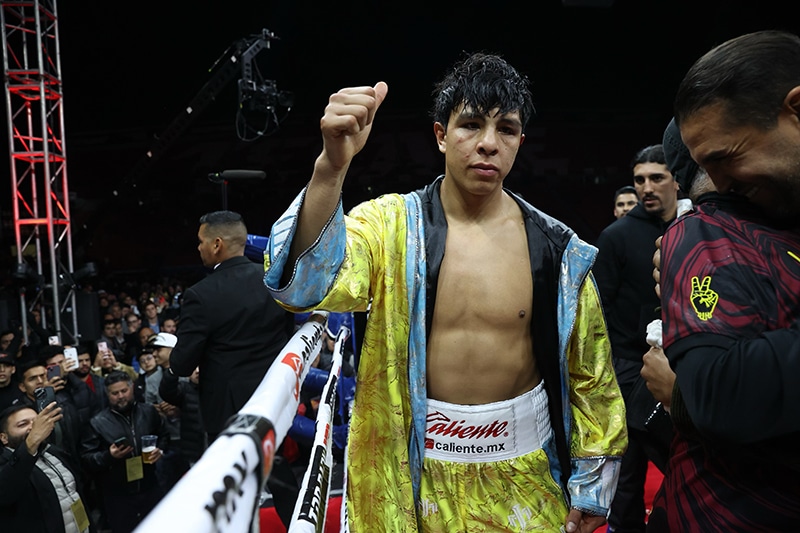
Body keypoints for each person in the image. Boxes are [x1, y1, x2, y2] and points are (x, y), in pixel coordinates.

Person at [263, 52, 626, 532]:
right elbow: (305, 286)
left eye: (507, 130)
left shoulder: (559, 251)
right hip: (411, 475)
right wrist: (331, 167)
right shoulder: (389, 226)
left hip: (524, 478)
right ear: (440, 135)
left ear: (520, 141)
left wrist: (593, 484)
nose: (489, 144)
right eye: (471, 125)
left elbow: (591, 375)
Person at [642, 109, 800, 530]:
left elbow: (722, 398)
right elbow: (723, 397)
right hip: (726, 505)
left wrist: (681, 397)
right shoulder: (702, 232)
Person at [593, 145, 678, 532]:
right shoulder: (616, 237)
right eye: (639, 179)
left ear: (675, 179)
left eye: (656, 178)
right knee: (627, 472)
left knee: (681, 462)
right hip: (628, 367)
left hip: (683, 364)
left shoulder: (695, 228)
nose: (646, 187)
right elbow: (599, 308)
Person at [168, 210, 295, 442]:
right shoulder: (274, 278)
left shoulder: (200, 294)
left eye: (200, 242)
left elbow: (183, 364)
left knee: (236, 476)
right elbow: (287, 332)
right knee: (274, 466)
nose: (198, 248)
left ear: (217, 244)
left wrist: (171, 369)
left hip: (230, 413)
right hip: (276, 396)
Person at [81, 370, 168, 533]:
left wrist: (160, 450)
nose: (120, 396)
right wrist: (109, 456)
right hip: (118, 493)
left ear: (132, 388)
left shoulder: (149, 411)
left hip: (150, 485)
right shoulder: (97, 422)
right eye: (115, 393)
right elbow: (87, 458)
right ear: (107, 395)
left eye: (124, 391)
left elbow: (163, 435)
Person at [0, 403, 92, 533]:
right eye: (22, 424)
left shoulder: (52, 451)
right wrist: (31, 443)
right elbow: (5, 493)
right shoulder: (5, 463)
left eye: (37, 422)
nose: (33, 428)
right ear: (4, 438)